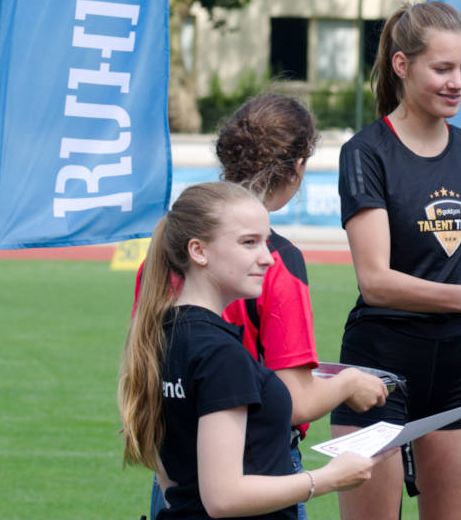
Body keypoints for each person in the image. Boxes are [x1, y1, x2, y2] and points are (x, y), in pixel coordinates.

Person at [137, 95, 389, 519]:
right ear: (296, 167)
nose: (264, 256)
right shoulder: (276, 268)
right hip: (259, 475)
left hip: (179, 479)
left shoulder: (164, 259)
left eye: (261, 241)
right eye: (250, 243)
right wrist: (348, 384)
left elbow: (151, 380)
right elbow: (294, 400)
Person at [331, 1, 461, 520]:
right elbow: (375, 282)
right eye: (443, 68)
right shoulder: (366, 153)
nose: (457, 81)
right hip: (378, 369)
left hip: (459, 370)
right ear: (401, 65)